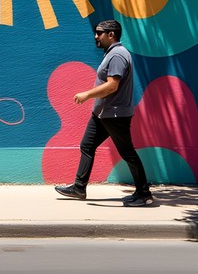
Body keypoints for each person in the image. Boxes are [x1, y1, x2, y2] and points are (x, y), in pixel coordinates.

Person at [54, 19, 153, 207]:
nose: (96, 36)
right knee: (87, 146)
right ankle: (79, 187)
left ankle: (144, 193)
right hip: (102, 113)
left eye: (99, 33)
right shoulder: (112, 54)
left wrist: (86, 95)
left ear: (111, 35)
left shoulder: (117, 55)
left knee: (127, 153)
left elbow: (111, 86)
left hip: (114, 114)